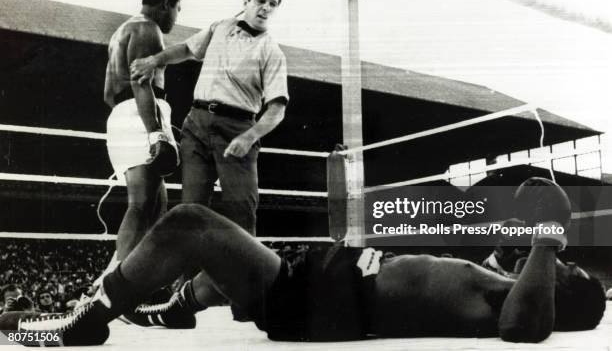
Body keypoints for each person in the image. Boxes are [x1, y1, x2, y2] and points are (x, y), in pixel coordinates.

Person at [0, 178, 605, 346]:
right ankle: (172, 312)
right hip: (319, 280)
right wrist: (532, 225)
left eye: (566, 274)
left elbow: (525, 328)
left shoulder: (512, 307)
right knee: (218, 270)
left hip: (314, 299)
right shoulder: (500, 278)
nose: (555, 263)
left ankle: (94, 316)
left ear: (559, 296)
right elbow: (514, 252)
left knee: (191, 225)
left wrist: (551, 240)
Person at [130, 0, 288, 235]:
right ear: (246, 2)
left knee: (241, 213)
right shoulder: (221, 27)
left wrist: (249, 137)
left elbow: (277, 109)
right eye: (261, 1)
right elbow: (187, 49)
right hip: (197, 125)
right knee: (190, 212)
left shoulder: (272, 52)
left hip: (237, 130)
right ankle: (189, 276)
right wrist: (153, 60)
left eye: (273, 4)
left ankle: (240, 274)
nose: (266, 8)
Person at [102, 0, 182, 263]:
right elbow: (140, 84)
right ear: (166, 4)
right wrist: (155, 133)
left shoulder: (120, 33)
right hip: (142, 115)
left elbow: (108, 94)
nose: (176, 16)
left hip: (124, 115)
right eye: (178, 9)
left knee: (157, 208)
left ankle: (128, 283)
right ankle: (116, 292)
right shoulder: (149, 28)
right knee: (141, 204)